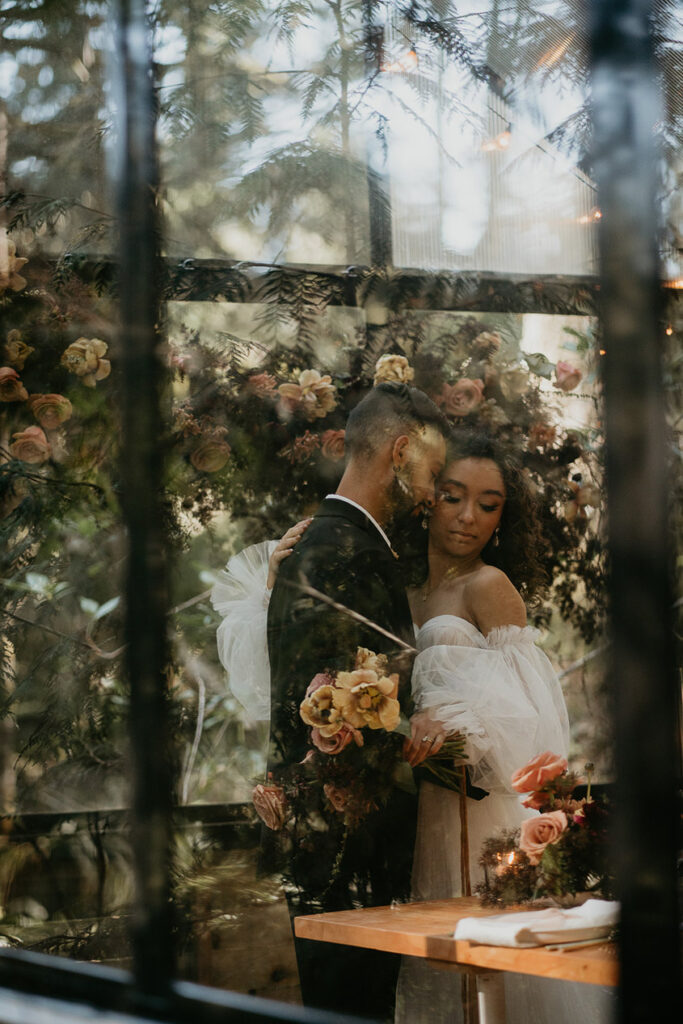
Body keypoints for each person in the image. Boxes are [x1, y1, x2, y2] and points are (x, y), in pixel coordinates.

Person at [393, 430, 613, 1023]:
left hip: (481, 807)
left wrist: (454, 721)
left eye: (488, 505)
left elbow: (531, 712)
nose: (468, 517)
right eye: (453, 496)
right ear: (426, 497)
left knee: (490, 961)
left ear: (502, 518)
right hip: (425, 804)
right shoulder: (403, 588)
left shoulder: (489, 586)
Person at [267, 382, 449, 1020]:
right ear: (399, 452)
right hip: (347, 853)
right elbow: (334, 712)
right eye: (431, 472)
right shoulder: (345, 553)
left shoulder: (332, 544)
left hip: (336, 848)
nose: (432, 493)